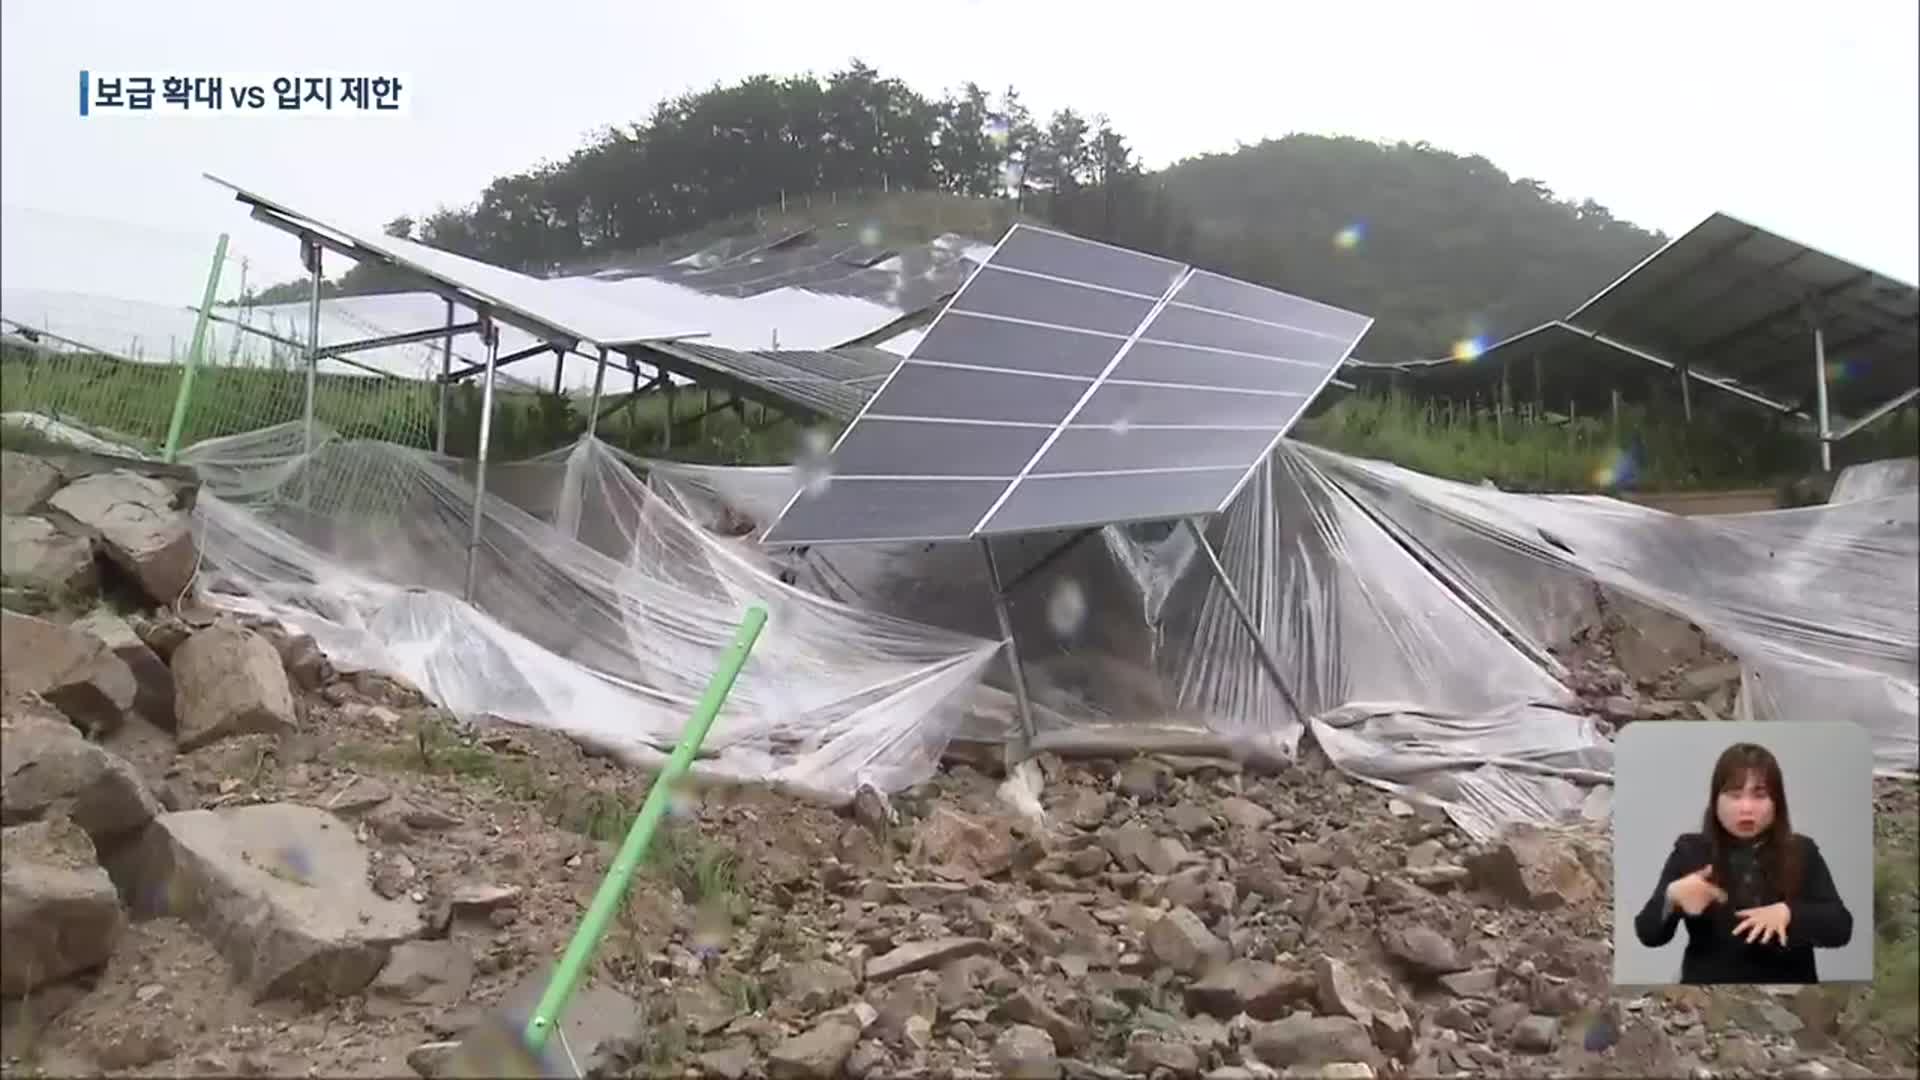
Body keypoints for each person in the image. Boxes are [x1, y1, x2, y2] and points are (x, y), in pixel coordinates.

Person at [1634, 742, 1853, 984]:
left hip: (1789, 997)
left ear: (1776, 802)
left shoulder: (1802, 851)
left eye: (1760, 795)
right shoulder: (1690, 851)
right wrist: (1671, 899)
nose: (1746, 808)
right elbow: (1647, 934)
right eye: (1734, 795)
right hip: (1710, 995)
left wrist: (1789, 914)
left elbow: (1841, 927)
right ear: (1715, 800)